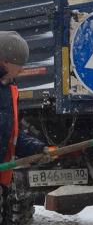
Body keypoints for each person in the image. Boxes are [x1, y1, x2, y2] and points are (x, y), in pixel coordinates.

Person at [0, 32, 47, 187]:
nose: (21, 70)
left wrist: (36, 149)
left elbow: (10, 134)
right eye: (19, 64)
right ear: (5, 62)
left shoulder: (9, 89)